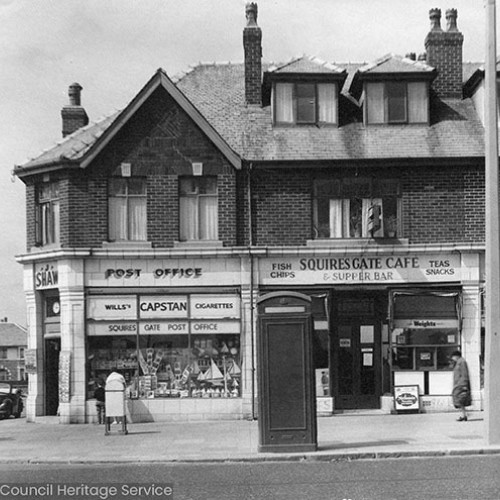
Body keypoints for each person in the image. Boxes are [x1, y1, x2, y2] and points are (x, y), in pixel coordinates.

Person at [451, 350, 471, 421]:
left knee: (460, 400)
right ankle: (464, 415)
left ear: (456, 356)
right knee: (460, 401)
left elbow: (464, 373)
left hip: (461, 385)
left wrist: (463, 384)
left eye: (453, 357)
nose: (452, 359)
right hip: (459, 385)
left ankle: (465, 415)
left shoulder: (461, 362)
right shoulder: (458, 362)